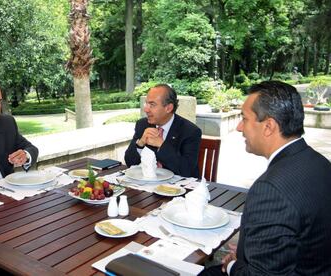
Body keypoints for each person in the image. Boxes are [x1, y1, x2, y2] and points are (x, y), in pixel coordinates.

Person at [200, 81, 331, 275]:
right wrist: (247, 249)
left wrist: (232, 265)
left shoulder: (270, 189)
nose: (238, 127)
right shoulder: (320, 163)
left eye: (244, 119)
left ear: (269, 126)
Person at [124, 84, 202, 177]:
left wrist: (162, 145)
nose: (146, 109)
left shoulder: (190, 131)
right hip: (148, 185)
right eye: (146, 103)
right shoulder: (143, 125)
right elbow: (130, 163)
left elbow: (187, 170)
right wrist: (140, 144)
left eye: (152, 104)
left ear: (168, 108)